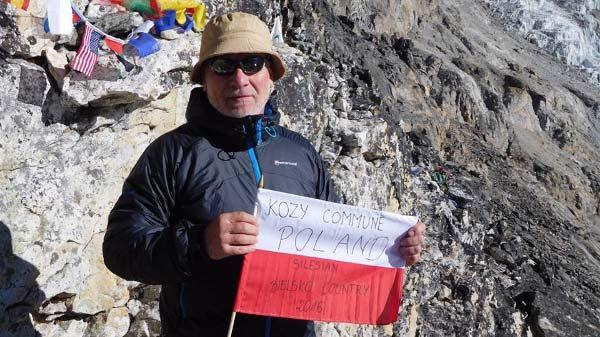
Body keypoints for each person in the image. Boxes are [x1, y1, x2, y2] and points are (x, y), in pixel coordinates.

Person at [103, 11, 426, 337]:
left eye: (253, 63)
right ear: (204, 77)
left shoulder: (300, 153)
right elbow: (120, 250)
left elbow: (337, 246)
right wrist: (200, 243)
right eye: (223, 66)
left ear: (271, 74)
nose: (239, 79)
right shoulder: (172, 153)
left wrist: (393, 248)